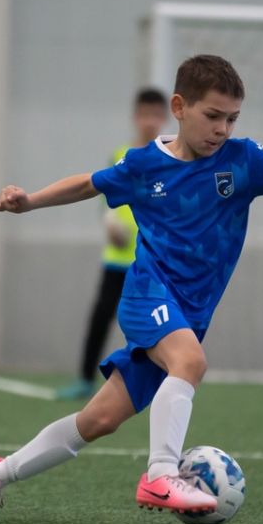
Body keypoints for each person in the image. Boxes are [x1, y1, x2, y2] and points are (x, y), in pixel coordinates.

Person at [0, 54, 263, 520]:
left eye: (232, 118)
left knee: (98, 420)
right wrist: (29, 202)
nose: (222, 129)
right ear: (180, 107)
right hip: (148, 293)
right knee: (190, 362)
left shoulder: (244, 160)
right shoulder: (144, 165)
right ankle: (161, 474)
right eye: (213, 115)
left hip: (190, 314)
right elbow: (88, 185)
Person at [56, 88, 169, 400]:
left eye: (155, 115)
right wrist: (109, 224)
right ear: (135, 117)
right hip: (118, 257)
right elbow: (104, 198)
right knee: (101, 316)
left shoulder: (169, 158)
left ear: (165, 118)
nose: (150, 121)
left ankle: (162, 380)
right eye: (144, 115)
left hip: (153, 260)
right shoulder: (122, 155)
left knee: (157, 321)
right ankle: (84, 379)